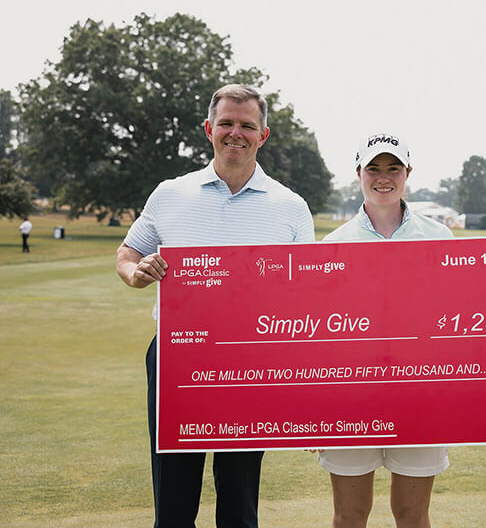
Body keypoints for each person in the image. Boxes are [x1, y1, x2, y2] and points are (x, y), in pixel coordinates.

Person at [115, 84, 315, 528]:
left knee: (240, 499)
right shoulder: (170, 193)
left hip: (253, 363)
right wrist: (135, 272)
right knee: (173, 496)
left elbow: (306, 292)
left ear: (263, 135)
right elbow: (128, 254)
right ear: (209, 129)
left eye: (247, 125)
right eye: (226, 123)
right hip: (177, 357)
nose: (235, 133)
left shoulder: (291, 206)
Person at [319, 133, 452, 528]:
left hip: (419, 396)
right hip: (351, 399)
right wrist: (312, 411)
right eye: (373, 168)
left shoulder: (439, 237)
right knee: (349, 514)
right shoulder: (333, 244)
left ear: (407, 172)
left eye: (393, 168)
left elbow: (451, 322)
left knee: (412, 514)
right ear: (358, 173)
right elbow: (320, 336)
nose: (383, 177)